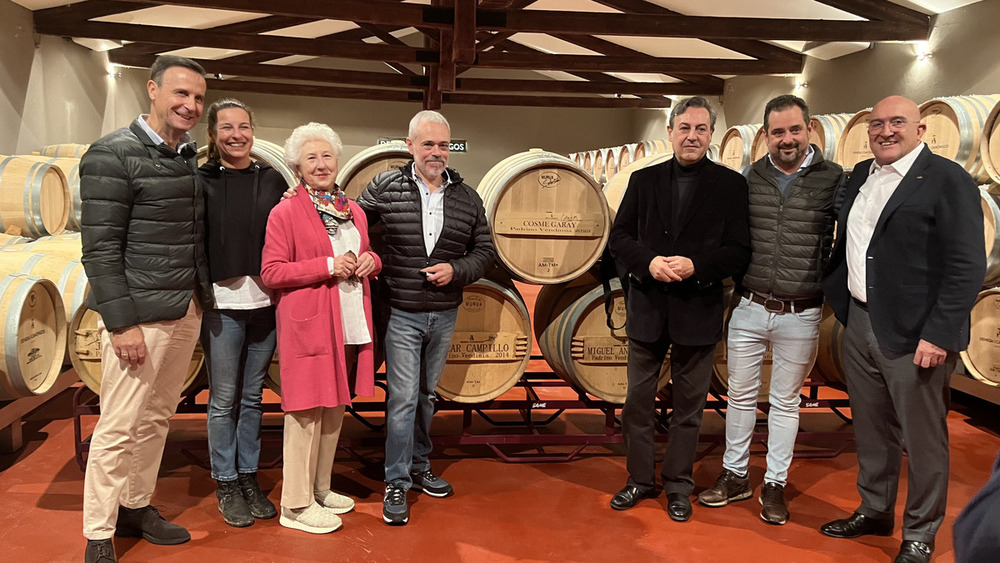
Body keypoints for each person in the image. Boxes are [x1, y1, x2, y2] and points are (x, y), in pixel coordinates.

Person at [820, 95, 985, 563]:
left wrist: (940, 333)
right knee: (872, 428)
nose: (885, 131)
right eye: (877, 124)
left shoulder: (947, 180)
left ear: (921, 129)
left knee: (922, 436)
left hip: (916, 333)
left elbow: (967, 264)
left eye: (897, 122)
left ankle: (921, 531)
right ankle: (874, 508)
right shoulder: (860, 176)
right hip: (859, 320)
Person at [80, 55, 213, 563]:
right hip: (138, 317)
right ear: (152, 91)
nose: (190, 105)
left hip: (184, 308)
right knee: (118, 424)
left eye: (198, 98)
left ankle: (136, 505)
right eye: (181, 94)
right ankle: (98, 531)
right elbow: (100, 249)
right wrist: (122, 323)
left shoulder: (184, 156)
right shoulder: (112, 155)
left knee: (157, 415)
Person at [697, 95, 844, 524]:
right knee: (740, 397)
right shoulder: (748, 178)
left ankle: (775, 482)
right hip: (749, 305)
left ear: (809, 129)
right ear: (765, 135)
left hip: (801, 311)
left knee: (785, 401)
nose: (786, 139)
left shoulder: (833, 179)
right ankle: (735, 474)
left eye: (794, 130)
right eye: (777, 132)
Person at [607, 96, 751, 522]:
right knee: (637, 401)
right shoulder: (643, 180)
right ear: (669, 131)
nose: (692, 136)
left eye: (701, 129)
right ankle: (638, 479)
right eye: (684, 127)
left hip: (698, 308)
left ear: (711, 135)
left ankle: (678, 485)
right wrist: (649, 262)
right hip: (649, 306)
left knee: (690, 408)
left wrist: (698, 266)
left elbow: (739, 251)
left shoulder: (730, 186)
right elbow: (621, 239)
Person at [357, 110, 494, 526]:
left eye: (443, 145)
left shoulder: (467, 197)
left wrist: (458, 270)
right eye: (428, 144)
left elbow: (485, 252)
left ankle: (419, 464)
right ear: (410, 144)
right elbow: (351, 223)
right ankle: (395, 480)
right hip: (402, 310)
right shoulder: (385, 185)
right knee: (401, 399)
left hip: (445, 311)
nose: (436, 152)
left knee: (426, 395)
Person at [261, 122, 381, 534]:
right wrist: (329, 266)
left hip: (347, 320)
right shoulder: (286, 211)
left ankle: (319, 487)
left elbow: (365, 252)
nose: (321, 164)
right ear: (297, 165)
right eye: (311, 157)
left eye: (326, 155)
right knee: (305, 413)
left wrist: (371, 262)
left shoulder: (353, 209)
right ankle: (294, 505)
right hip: (309, 324)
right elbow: (272, 272)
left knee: (333, 409)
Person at [199, 98, 285, 527]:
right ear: (213, 134)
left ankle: (249, 474)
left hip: (265, 305)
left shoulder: (271, 180)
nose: (236, 134)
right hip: (223, 307)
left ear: (253, 130)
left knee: (252, 397)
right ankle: (226, 479)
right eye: (227, 127)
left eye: (244, 126)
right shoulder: (201, 180)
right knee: (224, 400)